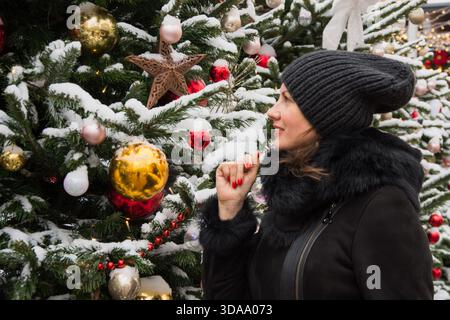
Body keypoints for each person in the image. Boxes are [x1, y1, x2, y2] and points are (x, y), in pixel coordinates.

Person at [199, 50, 433, 300]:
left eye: (287, 99)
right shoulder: (290, 199)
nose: (272, 112)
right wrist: (229, 211)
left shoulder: (381, 208)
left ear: (326, 114)